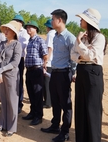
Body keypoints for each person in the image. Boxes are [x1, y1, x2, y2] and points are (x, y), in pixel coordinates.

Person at [71, 8, 106, 142]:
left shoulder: (99, 37)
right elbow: (73, 55)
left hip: (93, 73)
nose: (80, 20)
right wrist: (82, 55)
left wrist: (80, 44)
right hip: (82, 71)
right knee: (80, 107)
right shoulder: (81, 37)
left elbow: (91, 55)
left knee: (92, 109)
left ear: (89, 21)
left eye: (82, 19)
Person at [41, 9, 76, 142]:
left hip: (64, 74)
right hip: (54, 72)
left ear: (59, 20)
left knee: (65, 103)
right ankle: (55, 125)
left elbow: (74, 58)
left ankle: (65, 132)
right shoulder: (55, 35)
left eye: (53, 19)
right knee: (55, 101)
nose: (51, 21)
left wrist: (73, 73)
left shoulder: (70, 38)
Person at [0, 20, 22, 137]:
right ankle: (3, 124)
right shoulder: (2, 44)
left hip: (12, 76)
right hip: (1, 76)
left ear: (14, 32)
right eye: (5, 29)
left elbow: (15, 63)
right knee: (3, 100)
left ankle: (11, 127)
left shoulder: (17, 45)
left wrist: (1, 70)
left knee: (12, 101)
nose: (6, 31)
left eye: (8, 29)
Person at [22, 20, 48, 125]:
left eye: (30, 27)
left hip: (37, 69)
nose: (28, 29)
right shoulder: (30, 41)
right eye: (27, 27)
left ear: (35, 29)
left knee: (37, 94)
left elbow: (45, 55)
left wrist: (44, 65)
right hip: (29, 70)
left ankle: (38, 116)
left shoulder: (40, 40)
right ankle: (32, 112)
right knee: (31, 93)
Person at [12, 15, 30, 113]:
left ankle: (19, 103)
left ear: (21, 23)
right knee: (11, 81)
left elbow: (23, 46)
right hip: (11, 58)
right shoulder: (12, 30)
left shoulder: (24, 33)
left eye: (17, 21)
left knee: (18, 81)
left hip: (19, 59)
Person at [43, 19, 56, 109]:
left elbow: (49, 48)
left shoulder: (50, 34)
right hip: (53, 62)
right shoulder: (55, 33)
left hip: (49, 62)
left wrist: (46, 61)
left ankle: (48, 102)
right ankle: (49, 100)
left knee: (46, 82)